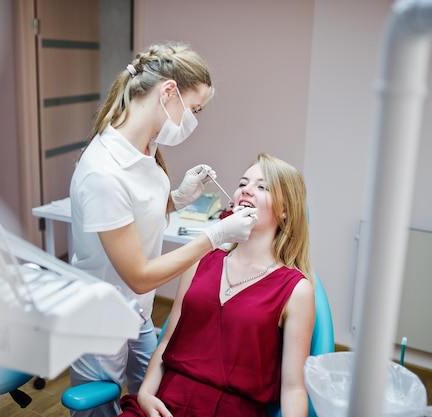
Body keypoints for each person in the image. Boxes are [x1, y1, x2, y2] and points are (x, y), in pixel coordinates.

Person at [68, 42, 258, 417]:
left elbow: (137, 213)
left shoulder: (144, 146)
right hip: (100, 319)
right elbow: (139, 275)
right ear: (168, 91)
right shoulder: (103, 173)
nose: (194, 120)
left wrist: (179, 197)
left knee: (153, 402)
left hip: (137, 312)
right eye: (195, 109)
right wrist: (215, 237)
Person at [118, 153, 316, 417]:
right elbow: (166, 342)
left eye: (262, 186)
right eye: (243, 183)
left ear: (285, 210)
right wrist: (145, 394)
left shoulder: (296, 290)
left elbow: (293, 389)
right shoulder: (199, 260)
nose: (246, 189)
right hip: (164, 403)